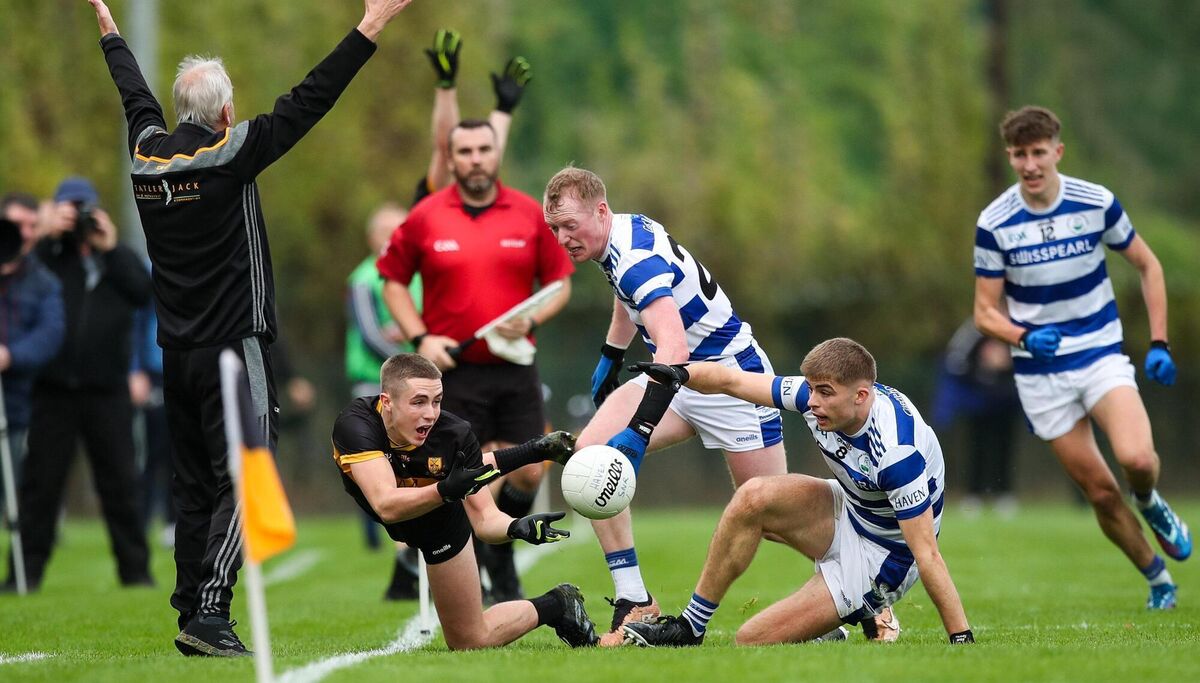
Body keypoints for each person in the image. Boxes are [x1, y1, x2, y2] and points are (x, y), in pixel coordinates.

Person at [86, 0, 417, 656]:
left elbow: (133, 96)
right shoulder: (231, 152)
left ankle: (191, 608)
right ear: (226, 113)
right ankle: (210, 611)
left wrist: (110, 30)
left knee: (192, 485)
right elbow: (309, 99)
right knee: (247, 471)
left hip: (174, 353)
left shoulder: (147, 156)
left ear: (180, 111)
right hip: (235, 349)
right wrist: (370, 25)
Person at [541, 166, 790, 646]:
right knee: (590, 457)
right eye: (554, 229)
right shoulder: (621, 232)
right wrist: (612, 353)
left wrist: (639, 429)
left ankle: (867, 599)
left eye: (570, 225)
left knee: (774, 518)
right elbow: (627, 298)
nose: (562, 238)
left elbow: (673, 347)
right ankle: (635, 600)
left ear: (600, 210)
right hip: (675, 379)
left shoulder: (635, 259)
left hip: (733, 383)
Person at [973, 106, 1190, 610]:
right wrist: (1023, 334)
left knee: (1136, 459)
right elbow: (984, 313)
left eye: (1038, 153)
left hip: (1098, 354)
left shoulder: (1096, 202)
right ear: (1011, 157)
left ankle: (1150, 501)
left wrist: (1159, 342)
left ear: (1057, 152)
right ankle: (1158, 580)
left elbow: (1148, 265)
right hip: (1040, 373)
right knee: (1099, 491)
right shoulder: (995, 222)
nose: (1029, 164)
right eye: (1019, 155)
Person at [621, 338, 974, 647]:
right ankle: (690, 628)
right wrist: (680, 374)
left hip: (884, 557)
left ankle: (858, 612)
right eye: (812, 389)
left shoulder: (897, 452)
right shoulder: (813, 395)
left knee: (751, 639)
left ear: (861, 396)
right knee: (753, 496)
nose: (813, 401)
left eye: (825, 393)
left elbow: (927, 554)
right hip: (852, 508)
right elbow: (732, 380)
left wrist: (961, 638)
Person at [379, 119, 573, 603]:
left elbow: (559, 285)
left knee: (531, 468)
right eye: (464, 150)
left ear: (496, 153)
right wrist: (421, 337)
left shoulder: (528, 213)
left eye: (484, 148)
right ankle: (494, 565)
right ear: (450, 157)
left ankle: (500, 556)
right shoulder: (426, 215)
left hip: (514, 366)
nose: (476, 158)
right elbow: (393, 282)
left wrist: (531, 320)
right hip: (453, 375)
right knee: (474, 471)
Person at [332, 353, 596, 650]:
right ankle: (534, 449)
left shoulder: (454, 435)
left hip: (440, 523)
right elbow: (386, 504)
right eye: (418, 402)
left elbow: (485, 520)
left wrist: (516, 526)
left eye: (437, 401)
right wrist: (444, 490)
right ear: (387, 401)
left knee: (469, 641)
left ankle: (558, 604)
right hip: (415, 507)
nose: (430, 414)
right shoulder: (356, 424)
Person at [6, 177, 153, 592]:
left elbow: (144, 293)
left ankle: (135, 572)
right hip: (53, 390)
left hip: (107, 390)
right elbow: (19, 278)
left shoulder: (115, 259)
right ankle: (24, 573)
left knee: (122, 483)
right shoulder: (47, 257)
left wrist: (112, 247)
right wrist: (49, 235)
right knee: (40, 485)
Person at [345, 202, 420, 592]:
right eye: (385, 231)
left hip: (414, 384)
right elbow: (371, 333)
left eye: (400, 229)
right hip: (372, 383)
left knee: (409, 461)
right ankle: (376, 530)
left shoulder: (416, 274)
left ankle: (407, 550)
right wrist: (409, 359)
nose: (393, 238)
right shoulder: (362, 278)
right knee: (372, 459)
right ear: (373, 238)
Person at [0, 193, 65, 516]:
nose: (24, 233)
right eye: (17, 225)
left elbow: (50, 334)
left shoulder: (43, 282)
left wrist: (10, 356)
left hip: (15, 409)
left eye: (32, 225)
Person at [931, 318, 1021, 516]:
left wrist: (1006, 364)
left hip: (1007, 403)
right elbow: (955, 363)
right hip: (978, 404)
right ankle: (974, 495)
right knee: (976, 448)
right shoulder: (973, 331)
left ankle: (1004, 494)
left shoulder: (1017, 328)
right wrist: (983, 369)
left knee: (1005, 449)